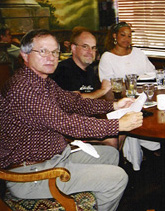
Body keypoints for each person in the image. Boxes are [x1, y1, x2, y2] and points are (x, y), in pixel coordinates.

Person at [0, 29, 144, 211]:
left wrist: (114, 106)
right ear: (25, 55)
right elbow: (68, 123)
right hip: (31, 175)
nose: (51, 57)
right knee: (118, 178)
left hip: (53, 158)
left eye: (55, 52)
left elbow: (76, 103)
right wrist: (117, 124)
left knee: (111, 154)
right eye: (43, 51)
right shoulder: (24, 89)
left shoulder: (43, 81)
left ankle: (93, 200)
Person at [99, 21, 161, 171]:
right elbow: (107, 85)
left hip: (143, 96)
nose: (127, 39)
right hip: (120, 100)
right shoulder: (107, 57)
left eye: (129, 35)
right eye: (123, 35)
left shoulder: (138, 53)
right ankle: (141, 154)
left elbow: (152, 72)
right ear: (114, 36)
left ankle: (152, 147)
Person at [52, 27, 111, 99]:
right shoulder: (63, 70)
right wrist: (103, 90)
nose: (90, 52)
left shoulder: (90, 70)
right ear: (73, 48)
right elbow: (75, 100)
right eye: (85, 47)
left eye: (93, 48)